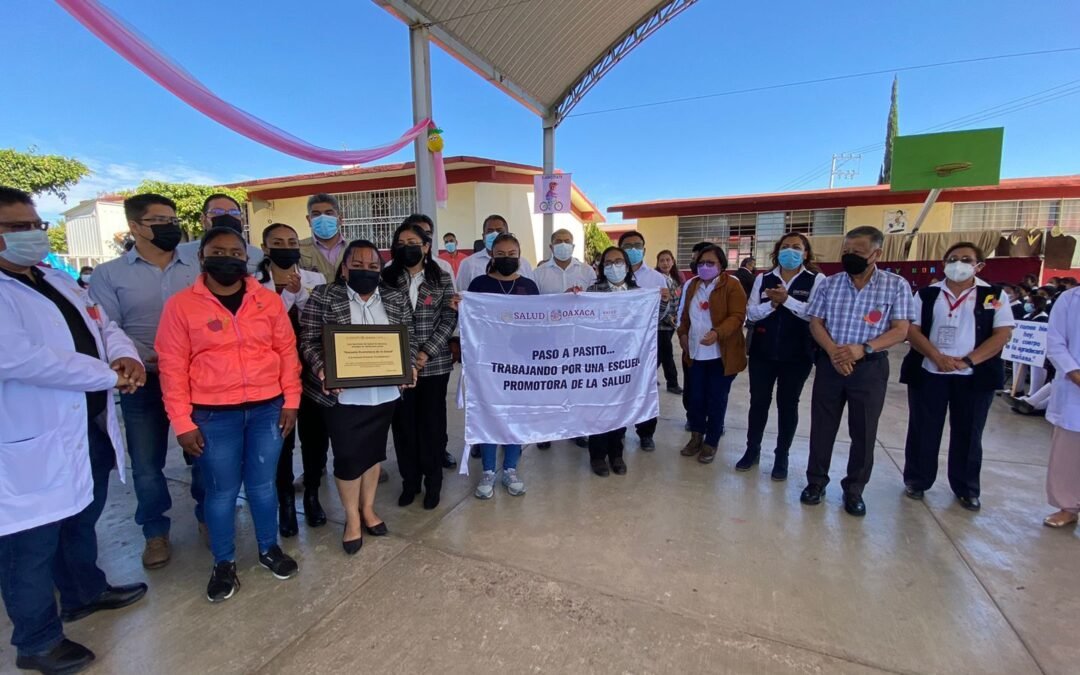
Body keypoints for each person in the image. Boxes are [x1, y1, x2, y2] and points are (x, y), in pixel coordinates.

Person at [0, 186, 148, 674]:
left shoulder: (52, 278)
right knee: (29, 543)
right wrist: (108, 375)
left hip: (86, 422)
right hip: (28, 435)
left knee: (82, 514)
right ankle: (37, 641)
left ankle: (85, 592)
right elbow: (20, 359)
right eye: (16, 227)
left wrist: (123, 355)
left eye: (35, 225)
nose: (32, 234)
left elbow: (102, 324)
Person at [156, 226, 302, 602]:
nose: (228, 259)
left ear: (247, 258)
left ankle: (269, 548)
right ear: (201, 258)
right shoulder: (181, 306)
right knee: (221, 492)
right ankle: (224, 562)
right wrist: (182, 421)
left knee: (262, 486)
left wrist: (291, 401)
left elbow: (287, 352)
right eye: (218, 252)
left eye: (236, 253)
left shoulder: (266, 301)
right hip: (212, 415)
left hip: (267, 409)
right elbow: (172, 368)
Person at [89, 193, 205, 569]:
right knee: (146, 462)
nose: (170, 227)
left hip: (196, 378)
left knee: (203, 452)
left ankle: (209, 515)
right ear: (135, 227)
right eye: (159, 221)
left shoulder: (197, 266)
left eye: (173, 220)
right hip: (143, 380)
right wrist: (147, 355)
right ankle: (155, 532)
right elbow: (107, 327)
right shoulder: (109, 274)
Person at [299, 240, 415, 553]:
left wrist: (409, 366)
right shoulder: (324, 295)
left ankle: (368, 508)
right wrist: (323, 369)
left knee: (374, 455)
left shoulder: (394, 297)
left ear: (381, 269)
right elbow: (308, 340)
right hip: (343, 398)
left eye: (373, 266)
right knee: (349, 459)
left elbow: (409, 338)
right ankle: (352, 517)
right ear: (344, 268)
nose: (366, 270)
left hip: (383, 394)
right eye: (358, 265)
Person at [802, 226, 915, 517]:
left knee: (864, 431)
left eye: (858, 252)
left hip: (869, 368)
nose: (850, 256)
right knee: (822, 427)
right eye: (847, 251)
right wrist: (833, 351)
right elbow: (816, 323)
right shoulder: (829, 284)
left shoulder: (895, 285)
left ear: (876, 253)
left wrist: (862, 349)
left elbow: (900, 329)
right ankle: (816, 482)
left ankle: (854, 489)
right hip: (830, 365)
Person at [900, 243, 1014, 511]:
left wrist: (968, 360)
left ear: (979, 266)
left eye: (966, 259)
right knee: (923, 429)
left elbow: (1002, 334)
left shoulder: (993, 295)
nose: (958, 264)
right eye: (952, 259)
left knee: (969, 432)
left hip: (974, 375)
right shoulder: (928, 294)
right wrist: (936, 356)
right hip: (930, 371)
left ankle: (966, 488)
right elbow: (911, 329)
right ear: (944, 264)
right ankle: (917, 480)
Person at [256, 223, 328, 538]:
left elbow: (319, 318)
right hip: (272, 373)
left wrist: (299, 295)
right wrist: (288, 294)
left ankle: (312, 493)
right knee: (281, 439)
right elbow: (262, 325)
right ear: (265, 248)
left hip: (311, 367)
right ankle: (285, 501)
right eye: (278, 242)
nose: (286, 247)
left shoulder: (315, 279)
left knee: (315, 436)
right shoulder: (253, 284)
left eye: (291, 242)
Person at [384, 219, 457, 510]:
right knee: (403, 427)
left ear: (426, 247)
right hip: (398, 365)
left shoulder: (441, 277)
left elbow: (448, 318)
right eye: (401, 244)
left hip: (434, 365)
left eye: (413, 243)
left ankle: (433, 482)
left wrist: (426, 352)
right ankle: (410, 482)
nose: (407, 248)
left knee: (432, 426)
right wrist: (406, 356)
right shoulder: (386, 277)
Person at [738, 233, 825, 480]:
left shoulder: (816, 280)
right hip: (762, 352)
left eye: (796, 247)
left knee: (788, 405)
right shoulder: (764, 278)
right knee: (758, 402)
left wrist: (787, 300)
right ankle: (752, 449)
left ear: (805, 253)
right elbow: (751, 313)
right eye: (785, 247)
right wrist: (772, 305)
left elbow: (815, 314)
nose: (790, 251)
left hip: (797, 355)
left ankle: (781, 455)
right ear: (777, 251)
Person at [467, 233, 539, 498]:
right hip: (487, 362)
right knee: (489, 414)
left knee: (515, 416)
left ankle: (510, 468)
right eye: (500, 254)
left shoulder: (529, 286)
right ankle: (488, 470)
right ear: (492, 255)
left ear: (519, 256)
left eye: (511, 254)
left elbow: (540, 321)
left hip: (520, 362)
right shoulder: (479, 284)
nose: (506, 258)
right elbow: (470, 319)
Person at [584, 247, 656, 476]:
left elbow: (659, 318)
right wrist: (573, 299)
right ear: (601, 267)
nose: (613, 266)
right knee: (598, 409)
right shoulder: (592, 291)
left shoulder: (639, 292)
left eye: (618, 261)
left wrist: (663, 300)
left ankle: (616, 454)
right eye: (608, 262)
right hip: (599, 361)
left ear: (626, 265)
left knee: (620, 408)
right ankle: (597, 456)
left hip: (627, 362)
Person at [678, 244, 747, 464]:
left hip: (720, 355)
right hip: (695, 353)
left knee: (716, 399)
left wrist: (717, 333)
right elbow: (685, 316)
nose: (705, 267)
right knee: (695, 398)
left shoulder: (732, 285)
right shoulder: (693, 285)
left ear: (721, 265)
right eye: (701, 263)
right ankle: (696, 436)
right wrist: (682, 334)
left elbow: (738, 316)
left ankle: (711, 441)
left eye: (711, 263)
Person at [617, 231, 670, 451]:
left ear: (644, 249)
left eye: (637, 245)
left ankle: (646, 433)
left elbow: (662, 313)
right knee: (618, 387)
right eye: (627, 246)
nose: (633, 250)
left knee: (645, 387)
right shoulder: (610, 276)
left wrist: (664, 301)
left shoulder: (657, 278)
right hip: (617, 344)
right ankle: (617, 430)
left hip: (645, 344)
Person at [1043, 286, 1080, 527]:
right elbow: (1055, 342)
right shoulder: (1070, 299)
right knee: (1069, 452)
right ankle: (1068, 507)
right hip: (1074, 384)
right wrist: (1075, 374)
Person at [177, 193, 264, 274]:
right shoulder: (180, 254)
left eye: (234, 213)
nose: (227, 217)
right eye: (217, 212)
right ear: (203, 219)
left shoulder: (258, 256)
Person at [455, 214, 533, 291]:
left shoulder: (524, 264)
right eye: (490, 231)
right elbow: (462, 294)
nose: (494, 234)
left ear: (507, 234)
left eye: (499, 231)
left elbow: (532, 294)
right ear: (483, 236)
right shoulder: (468, 264)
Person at [299, 193, 347, 282]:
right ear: (309, 220)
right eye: (316, 214)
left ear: (340, 219)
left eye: (328, 213)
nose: (323, 218)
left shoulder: (354, 248)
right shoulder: (298, 249)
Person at [655, 250, 684, 395]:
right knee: (667, 354)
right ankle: (672, 383)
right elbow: (657, 303)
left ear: (673, 261)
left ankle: (647, 377)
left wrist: (678, 316)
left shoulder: (675, 279)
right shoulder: (656, 280)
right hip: (660, 324)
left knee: (659, 354)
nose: (665, 263)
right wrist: (667, 317)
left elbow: (678, 301)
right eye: (662, 260)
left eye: (668, 260)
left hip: (672, 324)